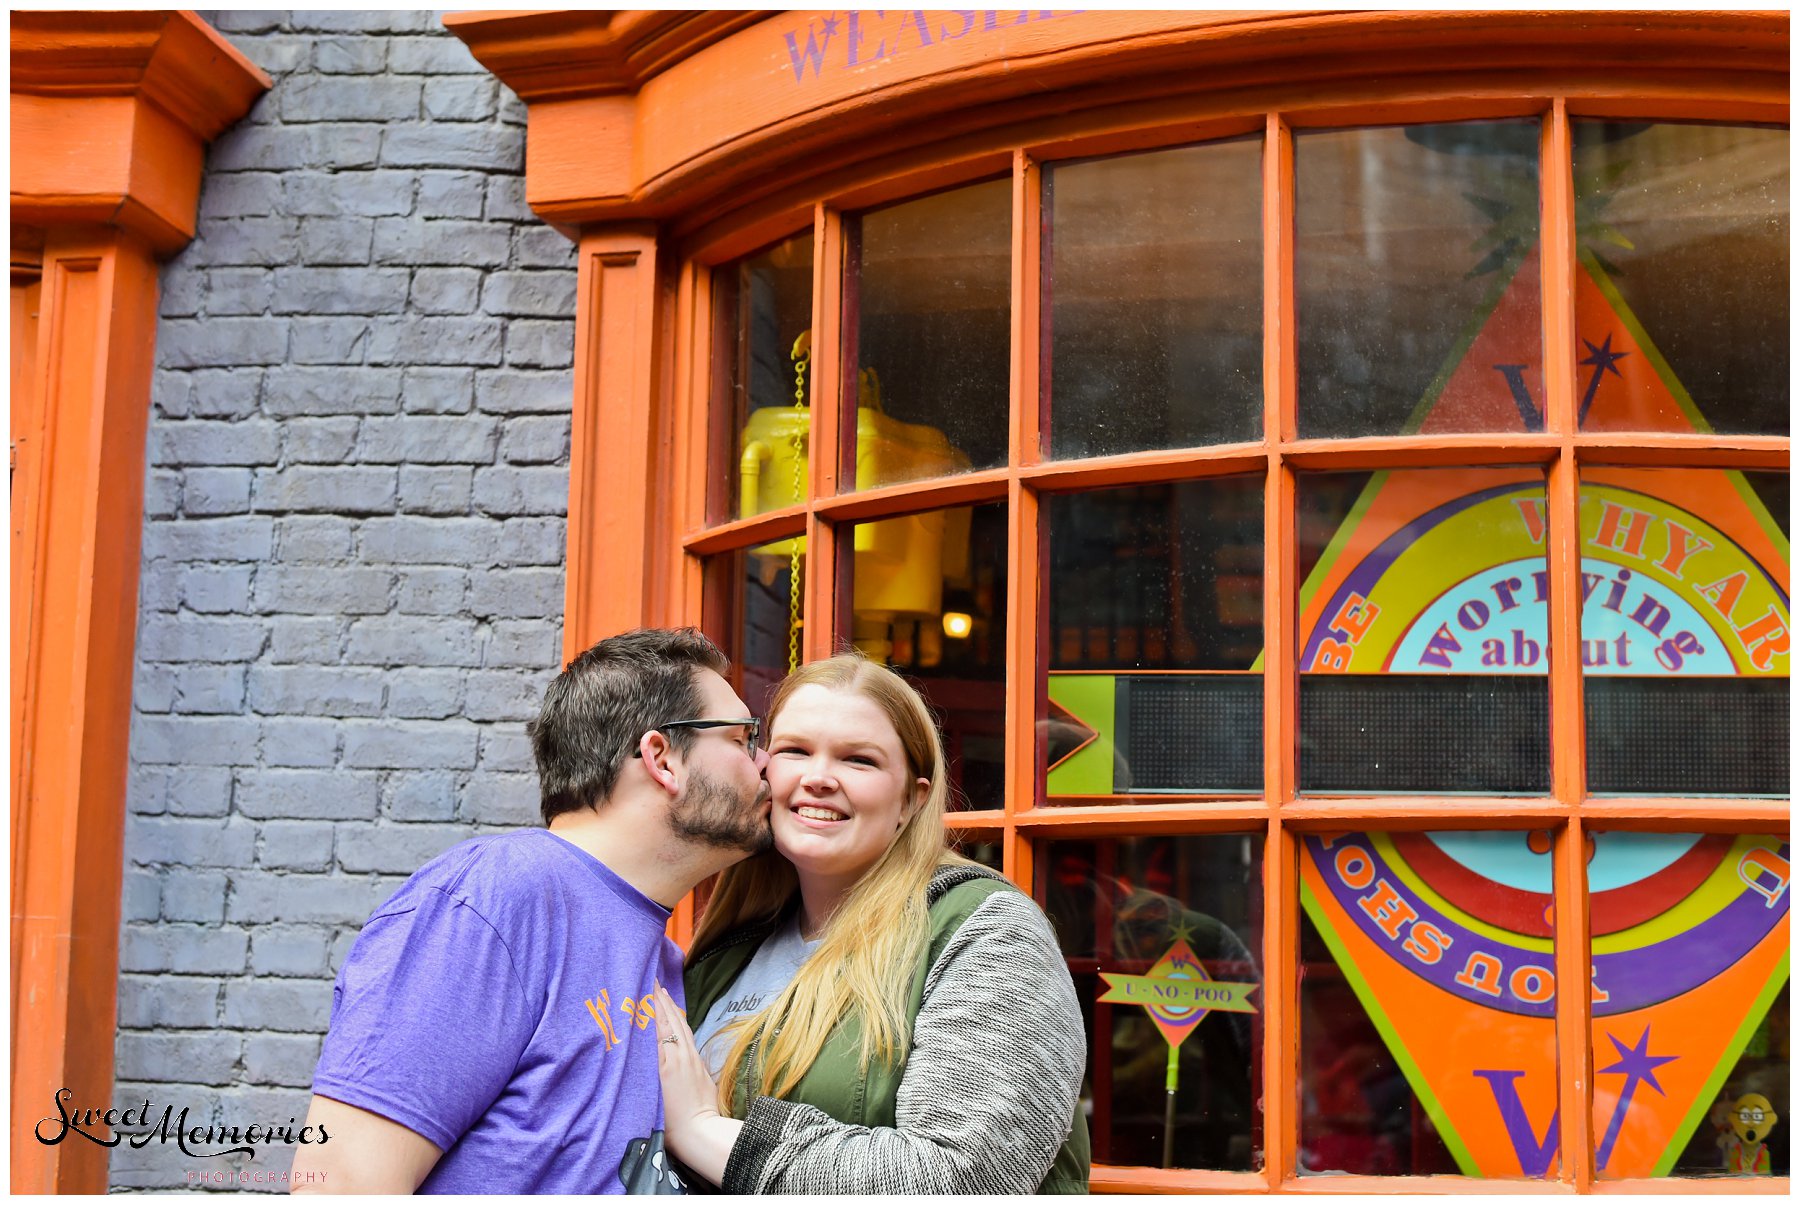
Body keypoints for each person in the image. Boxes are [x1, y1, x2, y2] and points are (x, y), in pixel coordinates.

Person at [291, 628, 771, 1194]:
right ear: (662, 758)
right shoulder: (493, 899)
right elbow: (342, 1187)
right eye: (742, 739)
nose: (766, 762)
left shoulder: (661, 954)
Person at [651, 653, 1091, 1193]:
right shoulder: (728, 948)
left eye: (858, 760)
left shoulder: (986, 932)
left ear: (912, 797)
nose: (818, 778)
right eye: (795, 751)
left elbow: (963, 1179)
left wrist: (703, 1133)